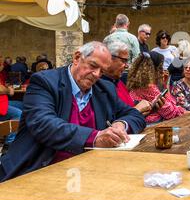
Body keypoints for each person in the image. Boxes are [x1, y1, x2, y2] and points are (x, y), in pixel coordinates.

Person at [0, 41, 146, 182]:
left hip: (87, 172)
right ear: (77, 58)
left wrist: (121, 124)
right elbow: (43, 124)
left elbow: (135, 115)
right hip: (37, 171)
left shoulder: (104, 89)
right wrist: (95, 137)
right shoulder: (45, 82)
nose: (96, 74)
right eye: (93, 66)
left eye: (102, 71)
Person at [102, 40, 164, 116]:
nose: (126, 65)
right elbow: (113, 122)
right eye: (123, 61)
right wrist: (137, 110)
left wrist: (151, 109)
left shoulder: (118, 82)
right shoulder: (100, 87)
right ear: (109, 59)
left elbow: (130, 114)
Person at [127, 52, 186, 124]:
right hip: (152, 125)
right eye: (161, 66)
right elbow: (170, 112)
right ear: (155, 68)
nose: (163, 69)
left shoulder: (138, 84)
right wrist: (183, 111)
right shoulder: (148, 87)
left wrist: (164, 83)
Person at [0, 55, 23, 146]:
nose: (3, 65)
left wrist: (6, 87)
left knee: (23, 105)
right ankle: (9, 144)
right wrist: (9, 90)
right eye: (1, 63)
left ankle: (23, 134)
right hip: (1, 105)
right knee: (18, 114)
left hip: (3, 102)